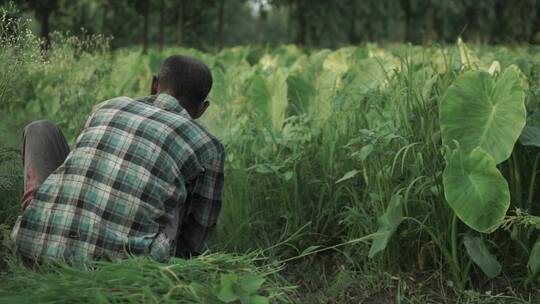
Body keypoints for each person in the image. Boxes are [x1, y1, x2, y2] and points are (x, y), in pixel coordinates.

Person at [11, 55, 224, 263]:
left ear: (154, 85)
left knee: (40, 129)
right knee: (180, 194)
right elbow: (196, 235)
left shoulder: (107, 106)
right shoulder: (208, 146)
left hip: (34, 246)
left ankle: (38, 217)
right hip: (125, 264)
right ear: (201, 109)